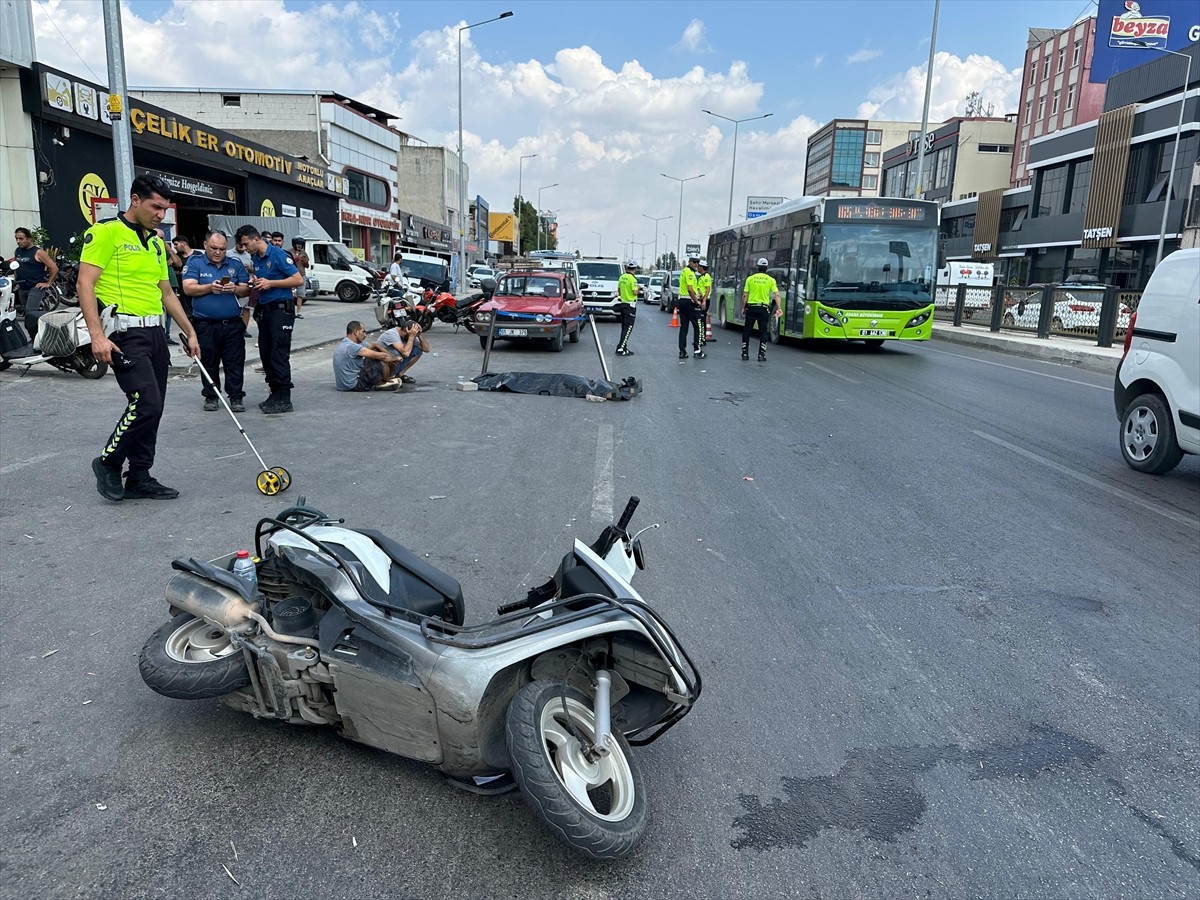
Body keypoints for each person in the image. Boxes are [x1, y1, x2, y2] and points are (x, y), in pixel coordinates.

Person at [77, 173, 200, 502]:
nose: (161, 215)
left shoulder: (157, 244)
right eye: (155, 207)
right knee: (145, 403)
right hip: (123, 332)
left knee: (154, 408)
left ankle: (140, 475)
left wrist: (189, 332)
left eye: (165, 209)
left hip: (155, 333)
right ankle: (108, 462)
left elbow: (167, 293)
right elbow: (84, 284)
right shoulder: (106, 233)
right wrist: (97, 336)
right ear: (134, 200)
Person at [234, 225, 302, 414]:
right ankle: (274, 392)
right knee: (266, 354)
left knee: (278, 353)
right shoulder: (256, 259)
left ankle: (284, 397)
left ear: (255, 239)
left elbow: (297, 280)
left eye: (246, 244)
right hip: (265, 311)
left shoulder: (278, 255)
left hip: (281, 310)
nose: (245, 248)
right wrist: (256, 282)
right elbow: (263, 280)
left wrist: (271, 283)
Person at [182, 230, 251, 412]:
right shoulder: (195, 262)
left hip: (232, 323)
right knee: (208, 361)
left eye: (222, 248)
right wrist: (209, 287)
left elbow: (246, 290)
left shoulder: (235, 264)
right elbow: (188, 288)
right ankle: (211, 396)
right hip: (205, 325)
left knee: (234, 361)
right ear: (205, 245)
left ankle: (236, 396)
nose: (218, 252)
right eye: (214, 248)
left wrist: (235, 288)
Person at [9, 227, 59, 338]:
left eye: (21, 238)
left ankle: (39, 338)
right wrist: (17, 281)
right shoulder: (18, 251)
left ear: (29, 239)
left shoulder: (38, 252)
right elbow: (16, 267)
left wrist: (48, 283)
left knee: (30, 313)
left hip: (35, 287)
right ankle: (35, 338)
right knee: (27, 314)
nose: (18, 241)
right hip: (22, 287)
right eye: (16, 238)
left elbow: (54, 268)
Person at [333, 320, 407, 392]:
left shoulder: (346, 343)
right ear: (356, 332)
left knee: (377, 353)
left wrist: (390, 356)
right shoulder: (352, 347)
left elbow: (375, 345)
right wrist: (395, 358)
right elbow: (382, 357)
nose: (365, 335)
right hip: (355, 385)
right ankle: (384, 382)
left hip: (342, 386)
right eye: (363, 332)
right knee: (378, 357)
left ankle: (385, 379)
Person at [740, 257, 781, 362]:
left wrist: (743, 308)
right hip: (764, 309)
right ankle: (761, 355)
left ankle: (745, 353)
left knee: (747, 331)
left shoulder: (750, 279)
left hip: (751, 308)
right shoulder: (771, 280)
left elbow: (745, 295)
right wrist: (779, 308)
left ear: (757, 267)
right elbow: (777, 295)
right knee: (763, 332)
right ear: (766, 268)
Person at [375, 316, 430, 383]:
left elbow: (427, 349)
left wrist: (419, 335)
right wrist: (411, 336)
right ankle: (387, 377)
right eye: (413, 335)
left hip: (393, 364)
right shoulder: (391, 334)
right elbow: (405, 353)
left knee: (418, 350)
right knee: (398, 353)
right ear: (405, 331)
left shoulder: (409, 335)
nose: (414, 337)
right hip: (380, 367)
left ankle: (400, 374)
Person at [677, 253, 705, 359]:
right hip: (689, 302)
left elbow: (693, 288)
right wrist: (697, 301)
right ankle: (697, 351)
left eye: (698, 262)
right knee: (698, 325)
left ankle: (682, 351)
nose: (696, 264)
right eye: (694, 262)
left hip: (682, 301)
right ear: (689, 261)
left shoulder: (685, 271)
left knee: (684, 327)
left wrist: (699, 292)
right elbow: (689, 289)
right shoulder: (689, 272)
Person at [615, 259, 638, 356]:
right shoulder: (633, 279)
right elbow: (635, 292)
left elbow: (619, 290)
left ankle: (624, 347)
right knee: (628, 327)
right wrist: (639, 288)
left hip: (623, 303)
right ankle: (621, 347)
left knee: (624, 326)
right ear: (635, 268)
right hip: (630, 305)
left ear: (627, 267)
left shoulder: (622, 277)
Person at [290, 237, 309, 319]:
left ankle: (298, 313)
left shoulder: (304, 253)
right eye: (298, 244)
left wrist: (304, 261)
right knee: (290, 294)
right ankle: (290, 311)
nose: (299, 246)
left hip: (302, 275)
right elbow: (287, 261)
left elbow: (307, 265)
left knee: (300, 295)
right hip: (291, 275)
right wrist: (296, 258)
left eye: (301, 245)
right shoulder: (289, 252)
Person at [697, 258, 713, 349]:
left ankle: (702, 339)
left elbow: (707, 289)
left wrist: (703, 301)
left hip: (705, 300)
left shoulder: (706, 277)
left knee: (702, 320)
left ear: (702, 267)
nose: (697, 268)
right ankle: (700, 338)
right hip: (701, 299)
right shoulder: (701, 277)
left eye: (699, 266)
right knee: (700, 320)